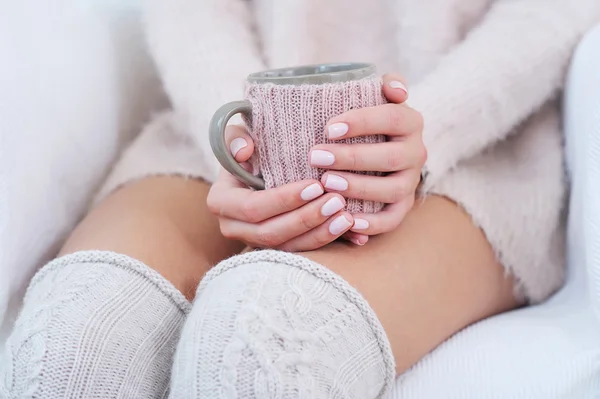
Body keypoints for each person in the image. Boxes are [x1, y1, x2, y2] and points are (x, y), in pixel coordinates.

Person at [2, 0, 600, 398]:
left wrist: (426, 130)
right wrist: (241, 142)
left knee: (269, 339)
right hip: (217, 127)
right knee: (77, 340)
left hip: (473, 151)